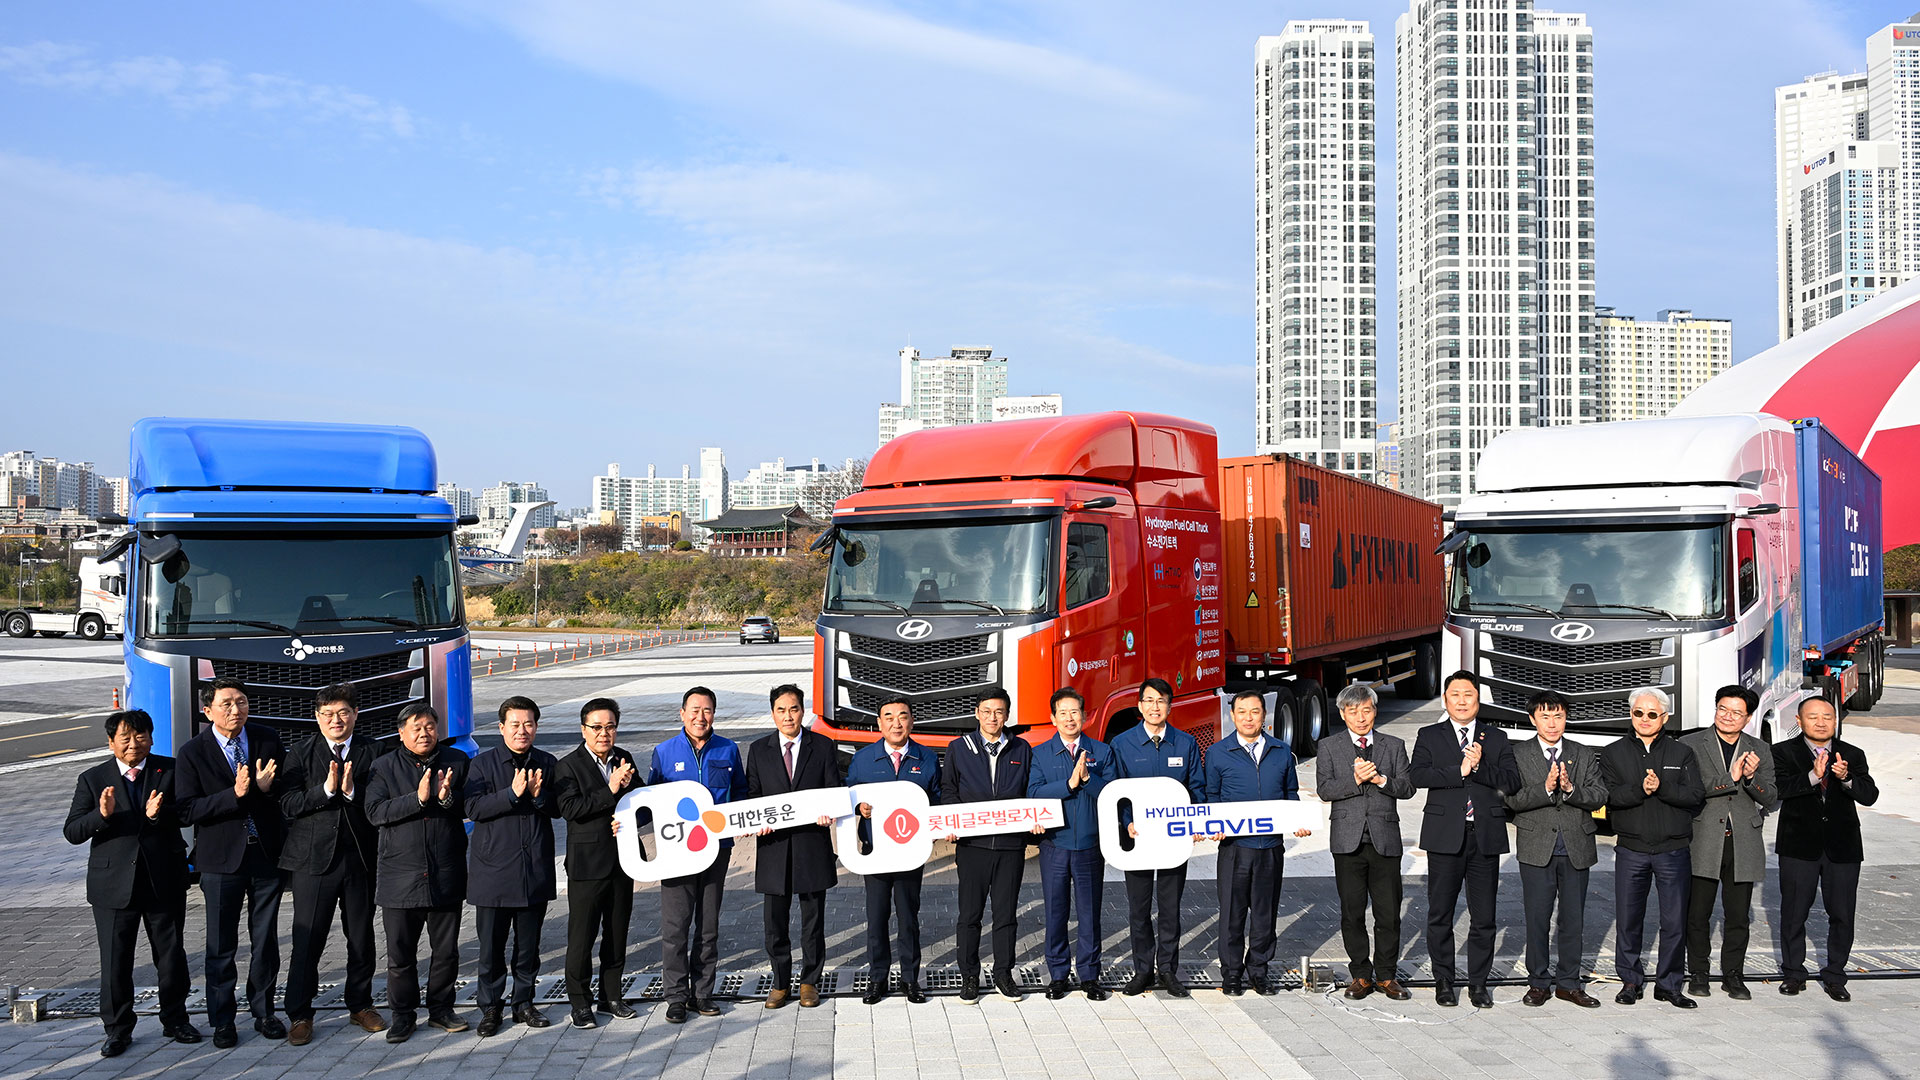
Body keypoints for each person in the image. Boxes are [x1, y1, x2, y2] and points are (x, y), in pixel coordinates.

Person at [64, 709, 197, 1058]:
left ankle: (176, 1019)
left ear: (151, 738)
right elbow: (73, 831)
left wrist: (159, 815)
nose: (133, 744)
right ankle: (118, 1029)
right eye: (125, 738)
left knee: (170, 956)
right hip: (112, 884)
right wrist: (102, 815)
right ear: (111, 743)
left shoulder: (168, 770)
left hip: (162, 879)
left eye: (140, 736)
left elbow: (187, 811)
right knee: (115, 961)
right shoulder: (93, 779)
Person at [175, 677, 288, 1047]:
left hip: (265, 855)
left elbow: (288, 794)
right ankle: (223, 1020)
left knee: (265, 940)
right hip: (221, 860)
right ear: (207, 711)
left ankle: (265, 1012)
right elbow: (187, 810)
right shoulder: (193, 752)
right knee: (221, 944)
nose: (236, 709)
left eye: (241, 701)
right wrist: (235, 794)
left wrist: (268, 790)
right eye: (226, 704)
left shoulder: (267, 738)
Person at [277, 683, 384, 1045]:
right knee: (308, 939)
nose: (335, 720)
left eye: (343, 713)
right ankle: (300, 1013)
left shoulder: (374, 751)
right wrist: (324, 792)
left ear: (356, 714)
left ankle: (360, 1004)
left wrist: (352, 791)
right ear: (317, 718)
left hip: (359, 858)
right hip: (312, 861)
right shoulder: (301, 752)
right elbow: (287, 804)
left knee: (361, 936)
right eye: (327, 714)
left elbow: (382, 802)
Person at [1409, 671, 1521, 1009]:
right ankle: (1444, 981)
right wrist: (1457, 771)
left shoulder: (1496, 737)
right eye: (1454, 694)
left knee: (1484, 916)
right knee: (1440, 913)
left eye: (1468, 694)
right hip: (1444, 837)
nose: (1461, 700)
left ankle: (1478, 984)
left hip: (1484, 836)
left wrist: (1479, 767)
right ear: (1445, 700)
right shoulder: (1429, 734)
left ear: (1478, 700)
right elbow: (1417, 775)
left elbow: (1512, 782)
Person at [365, 703, 471, 1042]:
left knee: (446, 951)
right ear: (401, 733)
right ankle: (403, 1015)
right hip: (401, 876)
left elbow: (470, 806)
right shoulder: (383, 766)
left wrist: (444, 799)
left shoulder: (456, 761)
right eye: (416, 727)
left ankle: (441, 1009)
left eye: (429, 726)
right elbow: (375, 812)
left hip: (445, 873)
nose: (424, 733)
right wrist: (419, 798)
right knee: (400, 955)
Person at [1601, 687, 1705, 1008]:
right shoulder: (1613, 753)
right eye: (1637, 713)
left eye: (1651, 714)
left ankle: (1670, 984)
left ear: (1665, 717)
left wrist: (1663, 788)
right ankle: (1630, 981)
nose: (1643, 719)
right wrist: (1640, 790)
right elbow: (1609, 797)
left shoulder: (1682, 753)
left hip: (1673, 850)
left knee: (1674, 920)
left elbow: (1694, 797)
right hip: (1631, 849)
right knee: (1629, 918)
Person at [649, 685, 746, 1024]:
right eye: (693, 710)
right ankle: (676, 997)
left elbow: (742, 796)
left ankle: (702, 993)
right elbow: (649, 803)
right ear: (682, 713)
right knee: (675, 928)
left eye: (706, 710)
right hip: (677, 853)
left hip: (716, 851)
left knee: (708, 927)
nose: (699, 716)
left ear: (714, 714)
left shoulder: (729, 750)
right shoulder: (663, 752)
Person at [1504, 689, 1607, 1008]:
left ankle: (1569, 983)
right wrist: (1546, 789)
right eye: (1545, 716)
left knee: (1573, 918)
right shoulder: (1518, 755)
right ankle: (1538, 982)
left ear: (1566, 718)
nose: (1552, 723)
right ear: (1533, 718)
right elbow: (1512, 800)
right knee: (1537, 917)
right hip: (1537, 846)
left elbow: (1600, 795)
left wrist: (1571, 789)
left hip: (1576, 844)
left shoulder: (1583, 752)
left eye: (1558, 716)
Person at [465, 696, 560, 1036]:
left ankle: (523, 1003)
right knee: (491, 948)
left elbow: (558, 808)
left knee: (528, 947)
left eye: (529, 724)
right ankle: (490, 1007)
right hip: (493, 872)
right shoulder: (482, 765)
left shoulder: (547, 763)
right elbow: (473, 808)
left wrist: (537, 796)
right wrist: (511, 794)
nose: (523, 731)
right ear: (501, 727)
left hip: (532, 869)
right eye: (515, 724)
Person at [1773, 695, 1878, 1002]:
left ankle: (1835, 975)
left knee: (1842, 914)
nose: (1821, 723)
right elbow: (1778, 790)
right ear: (1799, 721)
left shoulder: (1852, 754)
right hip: (1798, 845)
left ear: (1836, 720)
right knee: (1794, 913)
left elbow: (1869, 795)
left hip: (1842, 847)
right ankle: (1793, 973)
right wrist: (1813, 776)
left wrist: (1846, 779)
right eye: (1813, 717)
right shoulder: (1782, 752)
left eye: (1827, 717)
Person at [1204, 690, 1309, 997]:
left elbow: (1291, 794)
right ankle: (1232, 973)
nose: (1249, 718)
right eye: (1242, 712)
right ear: (1232, 716)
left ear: (1265, 716)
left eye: (1255, 712)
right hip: (1235, 848)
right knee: (1232, 915)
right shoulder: (1217, 753)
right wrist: (1214, 824)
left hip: (1270, 848)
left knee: (1265, 914)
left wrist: (1298, 820)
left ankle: (1259, 971)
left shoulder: (1281, 751)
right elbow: (1211, 795)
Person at [1315, 682, 1414, 1003]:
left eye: (1366, 710)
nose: (1360, 717)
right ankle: (1360, 973)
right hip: (1347, 841)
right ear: (1343, 714)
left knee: (1388, 913)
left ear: (1375, 711)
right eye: (1353, 711)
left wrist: (1381, 780)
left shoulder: (1393, 745)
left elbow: (1407, 787)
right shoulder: (1329, 747)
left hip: (1385, 839)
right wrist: (1356, 780)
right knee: (1352, 912)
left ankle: (1386, 975)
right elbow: (1325, 790)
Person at [746, 684, 843, 1009]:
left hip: (811, 845)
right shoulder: (759, 749)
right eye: (781, 710)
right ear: (773, 713)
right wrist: (754, 817)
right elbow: (753, 795)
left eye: (794, 709)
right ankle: (779, 982)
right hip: (773, 848)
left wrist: (830, 812)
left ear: (804, 711)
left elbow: (834, 789)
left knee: (813, 922)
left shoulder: (823, 746)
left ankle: (809, 982)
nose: (788, 716)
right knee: (775, 924)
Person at [1681, 684, 1777, 1001]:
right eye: (1723, 709)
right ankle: (1698, 973)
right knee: (1697, 913)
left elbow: (1773, 799)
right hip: (1703, 837)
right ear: (1715, 709)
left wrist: (1750, 779)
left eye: (1736, 712)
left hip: (1743, 840)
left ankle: (1733, 975)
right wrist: (1730, 777)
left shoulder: (1759, 749)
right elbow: (1689, 790)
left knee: (1738, 916)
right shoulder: (1691, 744)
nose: (1728, 716)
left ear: (1748, 717)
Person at [1110, 677, 1203, 998]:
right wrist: (1126, 822)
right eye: (1148, 701)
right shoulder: (1121, 745)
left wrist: (1195, 822)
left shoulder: (1186, 744)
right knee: (1138, 909)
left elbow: (1197, 790)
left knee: (1169, 908)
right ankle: (1142, 970)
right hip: (1136, 841)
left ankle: (1168, 970)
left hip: (1172, 841)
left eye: (1161, 701)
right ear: (1139, 706)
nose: (1154, 707)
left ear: (1169, 706)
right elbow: (1114, 792)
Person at [942, 686, 1035, 1003]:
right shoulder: (959, 748)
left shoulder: (1021, 749)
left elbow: (1030, 792)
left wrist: (1035, 820)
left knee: (1006, 914)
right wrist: (951, 823)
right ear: (977, 714)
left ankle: (1004, 974)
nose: (992, 717)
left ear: (1007, 715)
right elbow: (950, 792)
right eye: (986, 711)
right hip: (973, 846)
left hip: (1010, 847)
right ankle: (969, 976)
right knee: (969, 915)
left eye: (999, 711)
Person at [553, 697, 639, 1029]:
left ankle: (611, 995)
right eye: (597, 727)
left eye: (610, 727)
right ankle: (580, 1001)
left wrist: (629, 814)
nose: (604, 733)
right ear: (583, 729)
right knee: (582, 936)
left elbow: (639, 798)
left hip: (623, 862)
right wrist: (611, 788)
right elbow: (570, 809)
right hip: (587, 866)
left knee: (617, 933)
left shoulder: (625, 758)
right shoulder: (568, 766)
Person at [847, 698, 940, 1004]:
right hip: (876, 853)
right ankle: (878, 979)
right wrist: (859, 808)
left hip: (910, 853)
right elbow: (847, 799)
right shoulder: (863, 760)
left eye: (902, 717)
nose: (896, 723)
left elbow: (937, 800)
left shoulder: (926, 758)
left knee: (908, 918)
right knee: (876, 918)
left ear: (912, 721)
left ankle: (911, 978)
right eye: (889, 717)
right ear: (879, 723)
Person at [1027, 687, 1117, 1000]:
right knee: (1055, 911)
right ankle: (1058, 974)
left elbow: (1112, 795)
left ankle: (1090, 975)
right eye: (1062, 713)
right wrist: (1068, 784)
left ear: (1085, 716)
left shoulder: (1102, 752)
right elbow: (1034, 794)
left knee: (1089, 912)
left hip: (1090, 845)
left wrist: (1090, 780)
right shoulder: (1039, 753)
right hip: (1054, 844)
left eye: (1074, 712)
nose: (1069, 718)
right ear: (1052, 718)